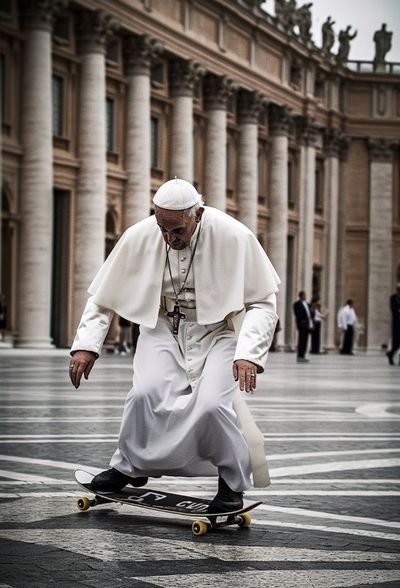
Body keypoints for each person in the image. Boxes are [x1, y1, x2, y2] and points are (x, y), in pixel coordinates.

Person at [69, 178, 280, 513]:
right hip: (163, 326)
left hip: (219, 332)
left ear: (197, 214)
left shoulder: (234, 235)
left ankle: (231, 485)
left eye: (177, 231)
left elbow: (263, 303)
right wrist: (86, 345)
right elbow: (102, 298)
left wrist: (248, 354)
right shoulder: (141, 235)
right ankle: (128, 468)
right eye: (162, 229)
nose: (169, 239)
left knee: (213, 405)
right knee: (143, 394)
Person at [293, 291, 313, 363]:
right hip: (302, 324)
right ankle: (299, 356)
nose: (305, 296)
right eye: (304, 295)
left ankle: (303, 356)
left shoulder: (308, 304)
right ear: (300, 296)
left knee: (305, 341)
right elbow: (297, 314)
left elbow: (310, 314)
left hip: (307, 324)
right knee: (301, 340)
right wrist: (301, 321)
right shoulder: (297, 304)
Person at [386, 283, 400, 366]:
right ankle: (391, 354)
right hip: (397, 322)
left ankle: (391, 354)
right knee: (396, 342)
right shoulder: (393, 297)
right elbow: (393, 309)